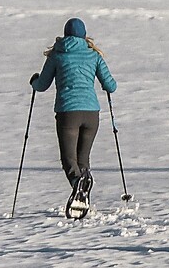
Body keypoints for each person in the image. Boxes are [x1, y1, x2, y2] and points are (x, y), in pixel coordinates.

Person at [29, 18, 117, 216]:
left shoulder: (57, 56)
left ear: (65, 34)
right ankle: (83, 200)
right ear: (84, 35)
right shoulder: (94, 55)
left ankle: (78, 185)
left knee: (69, 160)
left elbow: (42, 85)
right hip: (91, 114)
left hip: (68, 113)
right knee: (83, 160)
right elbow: (111, 85)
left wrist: (34, 81)